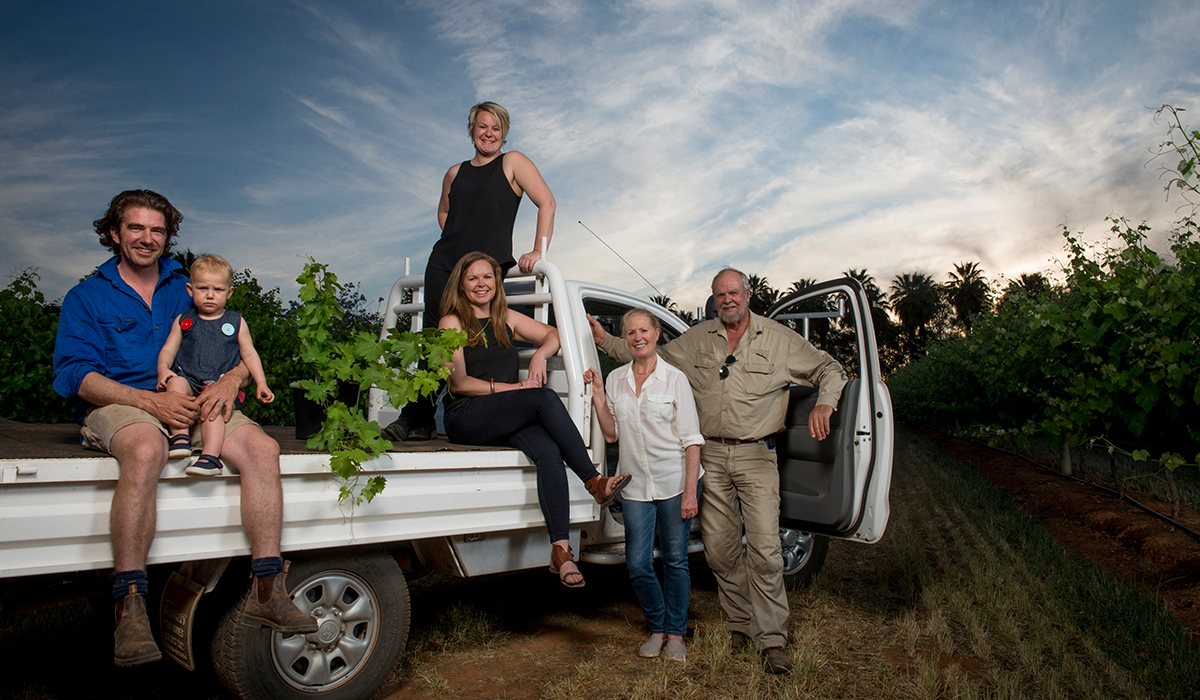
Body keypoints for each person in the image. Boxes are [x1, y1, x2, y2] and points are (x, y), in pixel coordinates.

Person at [52, 190, 317, 667]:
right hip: (126, 403)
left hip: (201, 401)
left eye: (157, 230)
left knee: (262, 449)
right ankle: (130, 604)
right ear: (114, 233)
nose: (147, 239)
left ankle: (266, 590)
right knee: (144, 450)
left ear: (168, 237)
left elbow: (238, 345)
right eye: (135, 228)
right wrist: (149, 399)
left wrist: (232, 381)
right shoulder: (87, 297)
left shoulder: (188, 285)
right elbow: (74, 374)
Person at [588, 268, 847, 674]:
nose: (727, 299)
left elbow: (830, 369)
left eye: (734, 292)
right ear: (714, 299)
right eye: (720, 294)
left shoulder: (779, 340)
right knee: (721, 551)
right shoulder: (698, 339)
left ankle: (773, 640)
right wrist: (604, 339)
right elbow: (648, 354)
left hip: (756, 456)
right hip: (711, 459)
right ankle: (739, 626)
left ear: (748, 294)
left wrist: (824, 403)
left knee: (763, 548)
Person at [438, 251, 629, 587]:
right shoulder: (451, 323)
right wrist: (515, 388)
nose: (481, 284)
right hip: (465, 415)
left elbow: (553, 335)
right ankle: (592, 480)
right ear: (462, 285)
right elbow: (459, 383)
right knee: (542, 397)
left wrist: (540, 354)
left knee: (547, 451)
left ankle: (561, 550)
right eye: (473, 278)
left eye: (487, 277)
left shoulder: (505, 318)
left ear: (496, 283)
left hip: (500, 414)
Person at [384, 101, 557, 441]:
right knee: (436, 343)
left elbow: (547, 202)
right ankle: (418, 418)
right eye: (482, 127)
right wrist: (456, 238)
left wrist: (539, 249)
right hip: (444, 266)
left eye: (496, 128)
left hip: (486, 272)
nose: (488, 133)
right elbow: (445, 212)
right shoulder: (454, 172)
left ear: (503, 133)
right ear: (472, 130)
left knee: (484, 339)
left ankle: (481, 412)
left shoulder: (513, 163)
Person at [584, 309, 703, 662]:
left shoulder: (675, 379)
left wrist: (690, 493)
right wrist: (598, 396)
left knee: (676, 560)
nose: (638, 337)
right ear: (627, 336)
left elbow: (691, 441)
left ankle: (677, 636)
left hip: (673, 483)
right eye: (631, 332)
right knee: (637, 564)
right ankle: (658, 627)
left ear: (656, 333)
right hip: (635, 487)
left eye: (644, 331)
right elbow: (611, 433)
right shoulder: (618, 378)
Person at [156, 254, 275, 477]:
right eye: (203, 288)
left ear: (229, 292)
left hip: (217, 384)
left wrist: (261, 383)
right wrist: (164, 369)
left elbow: (249, 355)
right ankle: (180, 436)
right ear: (190, 290)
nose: (210, 295)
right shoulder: (185, 319)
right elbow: (169, 349)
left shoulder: (235, 322)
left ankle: (210, 457)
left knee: (213, 409)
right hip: (189, 379)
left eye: (218, 290)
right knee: (175, 385)